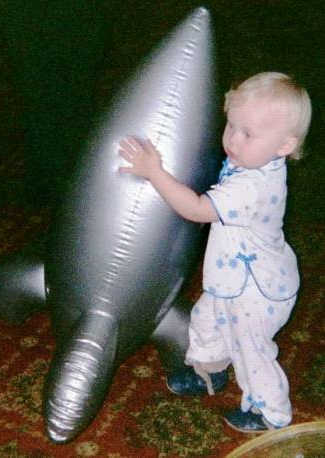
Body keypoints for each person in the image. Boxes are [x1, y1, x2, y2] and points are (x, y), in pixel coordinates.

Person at [118, 72, 312, 433]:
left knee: (250, 350)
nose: (233, 140)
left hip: (257, 292)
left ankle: (270, 411)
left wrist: (153, 172)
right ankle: (210, 371)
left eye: (248, 133)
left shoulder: (254, 185)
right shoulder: (257, 159)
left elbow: (195, 210)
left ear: (284, 145)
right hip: (233, 276)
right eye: (231, 125)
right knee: (207, 320)